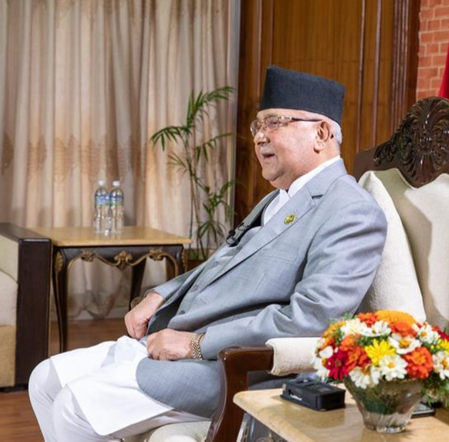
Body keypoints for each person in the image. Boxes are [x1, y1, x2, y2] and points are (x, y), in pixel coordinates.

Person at [29, 66, 387, 442]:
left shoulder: (351, 210)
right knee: (44, 380)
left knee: (73, 406)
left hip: (235, 367)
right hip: (179, 339)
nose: (259, 136)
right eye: (258, 125)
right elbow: (222, 264)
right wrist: (160, 294)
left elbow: (311, 319)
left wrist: (196, 344)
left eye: (275, 123)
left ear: (321, 133)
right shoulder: (279, 198)